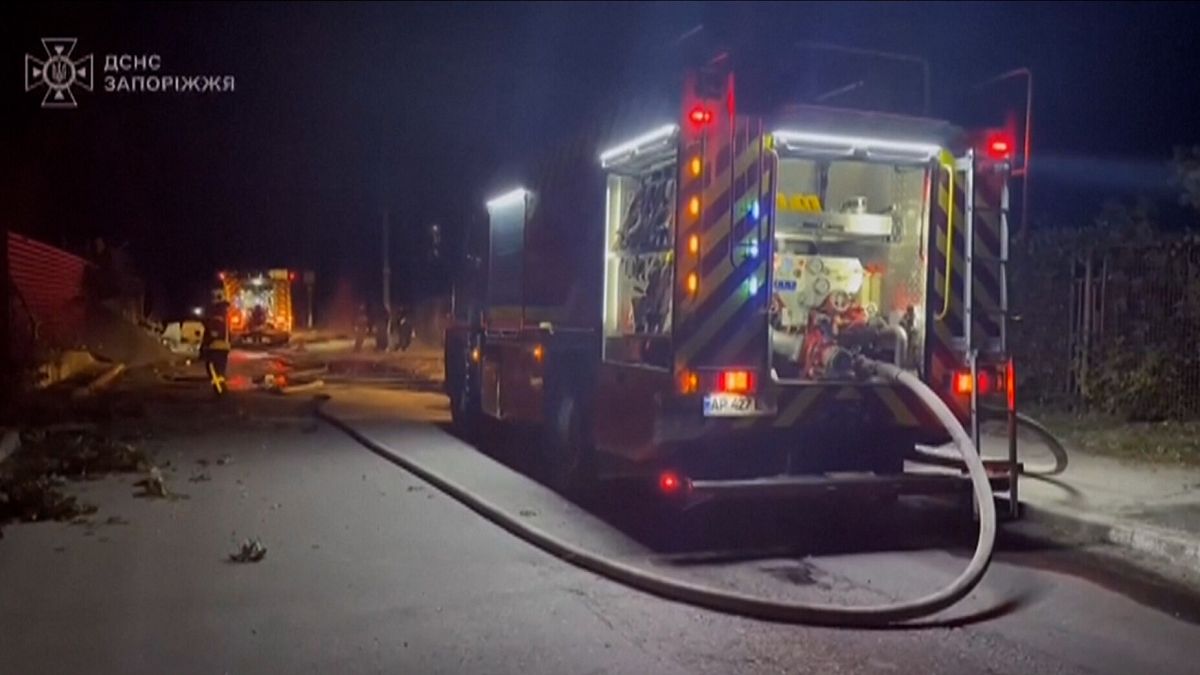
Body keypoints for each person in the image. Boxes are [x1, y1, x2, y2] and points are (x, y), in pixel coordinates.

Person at [201, 291, 232, 395]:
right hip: (224, 347)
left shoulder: (216, 317)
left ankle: (219, 390)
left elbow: (213, 333)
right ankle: (222, 389)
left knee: (212, 370)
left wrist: (205, 346)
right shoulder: (224, 316)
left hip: (215, 347)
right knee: (220, 371)